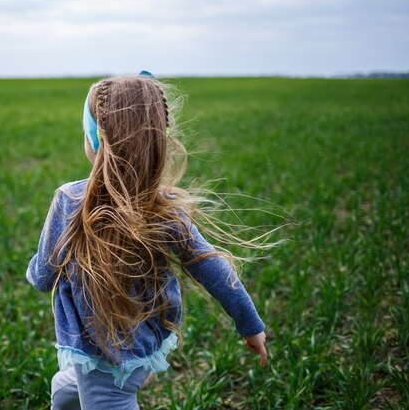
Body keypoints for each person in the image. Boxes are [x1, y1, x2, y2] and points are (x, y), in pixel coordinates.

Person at [27, 73, 268, 410]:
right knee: (72, 389)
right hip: (146, 344)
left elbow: (42, 277)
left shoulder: (71, 200)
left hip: (100, 350)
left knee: (109, 396)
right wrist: (250, 323)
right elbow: (211, 265)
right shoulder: (164, 205)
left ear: (96, 140)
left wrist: (35, 270)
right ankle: (66, 395)